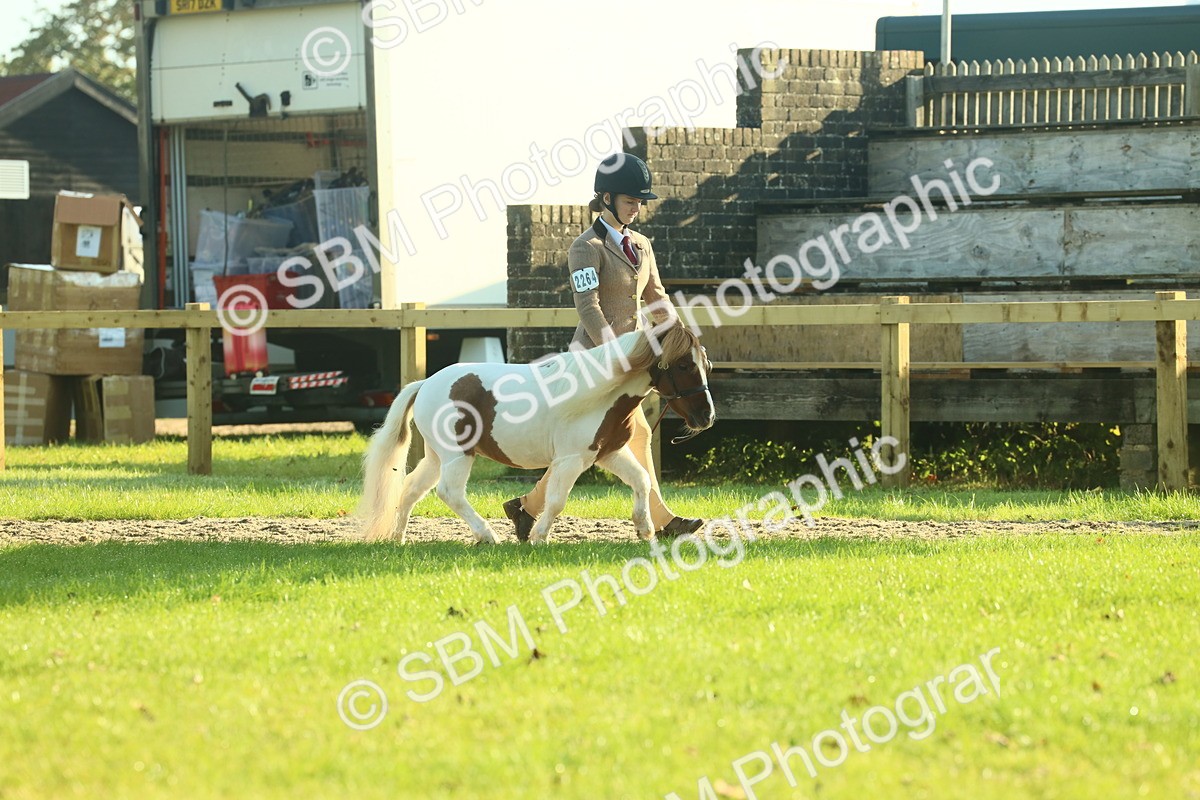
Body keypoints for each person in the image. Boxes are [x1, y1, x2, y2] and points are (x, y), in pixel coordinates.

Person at [503, 152, 705, 541]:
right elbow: (587, 305)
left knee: (622, 437)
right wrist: (612, 350)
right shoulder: (585, 246)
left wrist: (681, 338)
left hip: (631, 360)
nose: (637, 208)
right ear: (607, 198)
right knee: (585, 443)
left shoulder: (642, 245)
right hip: (594, 358)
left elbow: (656, 297)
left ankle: (527, 508)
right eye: (631, 201)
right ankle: (659, 522)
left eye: (640, 202)